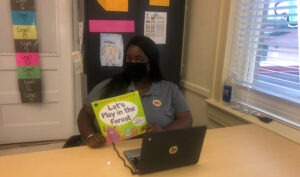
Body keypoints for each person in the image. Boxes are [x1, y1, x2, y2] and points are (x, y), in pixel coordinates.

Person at [77, 35, 193, 148]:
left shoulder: (170, 90)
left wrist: (163, 132)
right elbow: (84, 114)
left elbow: (186, 118)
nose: (133, 63)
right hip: (109, 153)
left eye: (139, 59)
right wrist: (90, 136)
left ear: (151, 62)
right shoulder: (108, 86)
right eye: (128, 58)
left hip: (154, 152)